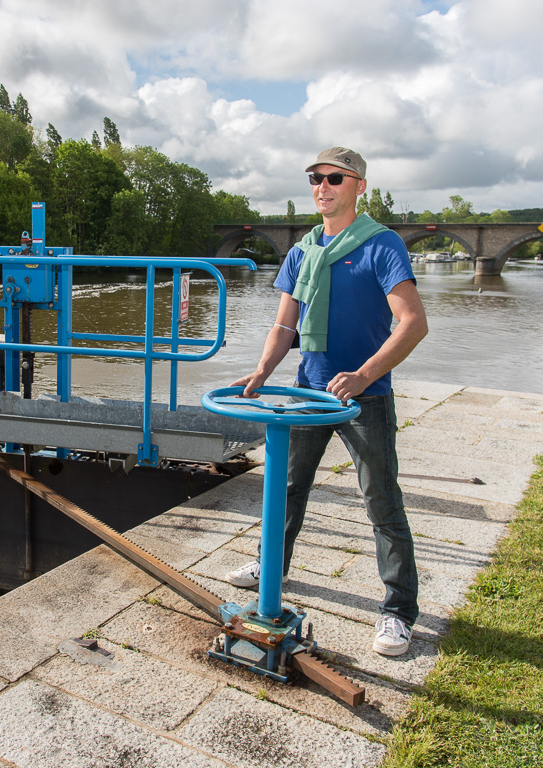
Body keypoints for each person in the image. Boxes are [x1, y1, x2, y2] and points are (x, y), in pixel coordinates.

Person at [224, 147, 429, 657]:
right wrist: (263, 370)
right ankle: (273, 565)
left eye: (336, 178)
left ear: (360, 186)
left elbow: (413, 323)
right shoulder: (303, 250)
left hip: (365, 397)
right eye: (316, 177)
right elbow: (284, 323)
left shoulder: (382, 246)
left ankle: (398, 612)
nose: (323, 186)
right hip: (305, 390)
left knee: (381, 500)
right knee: (287, 488)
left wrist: (363, 376)